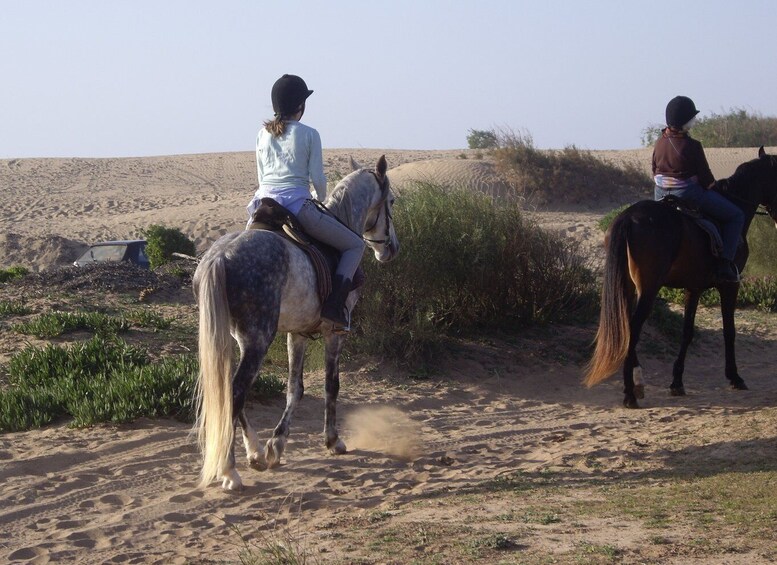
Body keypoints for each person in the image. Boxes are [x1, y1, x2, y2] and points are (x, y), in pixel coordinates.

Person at [246, 74, 366, 332]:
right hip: (298, 207)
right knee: (356, 245)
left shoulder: (261, 135)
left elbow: (260, 177)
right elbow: (319, 179)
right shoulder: (310, 134)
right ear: (300, 105)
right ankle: (334, 306)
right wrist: (320, 198)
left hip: (261, 208)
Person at [652, 95, 744, 283]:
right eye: (691, 119)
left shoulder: (659, 142)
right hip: (687, 194)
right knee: (737, 216)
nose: (693, 122)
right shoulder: (692, 145)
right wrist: (713, 187)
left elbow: (653, 169)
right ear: (684, 121)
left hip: (659, 193)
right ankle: (725, 264)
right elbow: (706, 179)